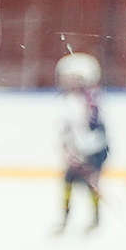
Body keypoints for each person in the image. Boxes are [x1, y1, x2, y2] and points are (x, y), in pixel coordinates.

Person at [53, 51, 108, 235]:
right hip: (77, 151)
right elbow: (65, 128)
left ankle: (95, 218)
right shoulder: (67, 100)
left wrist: (85, 151)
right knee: (68, 182)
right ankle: (65, 219)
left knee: (91, 184)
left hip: (92, 151)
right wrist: (67, 146)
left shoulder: (91, 100)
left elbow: (94, 128)